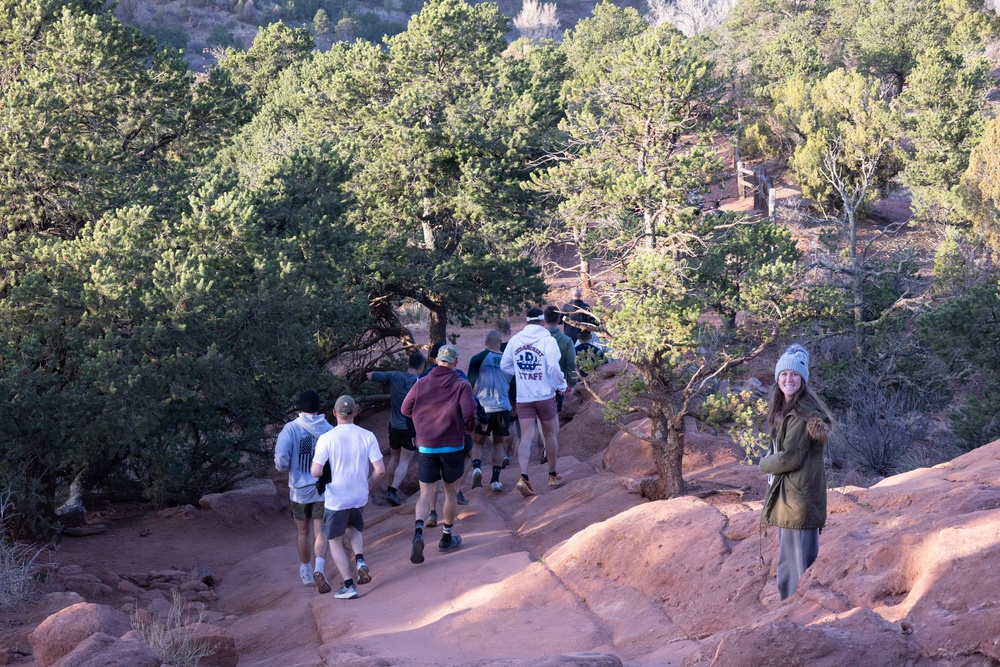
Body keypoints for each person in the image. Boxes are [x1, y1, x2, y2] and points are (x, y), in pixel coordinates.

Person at [759, 344, 833, 601]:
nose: (788, 379)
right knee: (796, 560)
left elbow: (789, 458)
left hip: (796, 499)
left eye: (794, 375)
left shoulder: (801, 414)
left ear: (803, 379)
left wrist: (764, 464)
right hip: (795, 497)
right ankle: (796, 608)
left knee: (795, 564)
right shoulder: (792, 410)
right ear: (778, 378)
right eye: (784, 375)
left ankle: (795, 611)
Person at [401, 344, 477, 564]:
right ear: (455, 362)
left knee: (425, 494)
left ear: (436, 361)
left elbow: (405, 409)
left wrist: (421, 424)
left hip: (426, 446)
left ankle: (418, 532)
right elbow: (470, 412)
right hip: (452, 445)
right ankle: (446, 538)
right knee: (451, 492)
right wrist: (468, 428)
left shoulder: (421, 383)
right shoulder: (461, 384)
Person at [310, 395, 384, 599]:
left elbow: (316, 472)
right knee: (354, 528)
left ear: (334, 413)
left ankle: (349, 585)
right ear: (356, 412)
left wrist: (320, 469)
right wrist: (369, 483)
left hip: (337, 498)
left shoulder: (327, 438)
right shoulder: (367, 435)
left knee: (334, 540)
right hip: (359, 495)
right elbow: (380, 470)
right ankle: (360, 559)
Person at [500, 307, 567, 496]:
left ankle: (524, 477)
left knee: (526, 436)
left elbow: (504, 365)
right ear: (543, 321)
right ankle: (552, 475)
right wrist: (560, 385)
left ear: (526, 321)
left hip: (524, 397)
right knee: (550, 434)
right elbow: (553, 366)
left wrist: (522, 374)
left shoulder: (515, 340)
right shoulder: (548, 340)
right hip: (545, 395)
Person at [274, 390, 333, 588]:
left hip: (299, 489)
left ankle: (306, 571)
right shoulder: (328, 429)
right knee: (320, 531)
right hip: (322, 488)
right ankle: (320, 568)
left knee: (303, 532)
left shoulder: (291, 428)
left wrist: (285, 468)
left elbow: (281, 457)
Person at [367, 350, 426, 506]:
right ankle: (393, 491)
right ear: (420, 368)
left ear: (408, 364)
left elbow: (371, 375)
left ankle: (389, 487)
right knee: (405, 460)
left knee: (394, 457)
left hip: (393, 426)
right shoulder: (420, 382)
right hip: (409, 427)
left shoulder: (394, 376)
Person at [467, 330, 514, 492]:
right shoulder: (508, 362)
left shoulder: (478, 359)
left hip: (483, 408)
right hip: (502, 407)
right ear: (500, 342)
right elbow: (513, 387)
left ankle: (477, 468)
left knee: (478, 442)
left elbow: (468, 386)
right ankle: (495, 480)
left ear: (485, 343)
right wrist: (514, 406)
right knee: (498, 443)